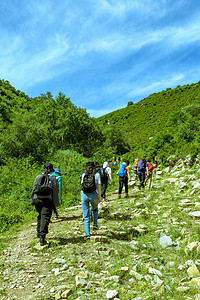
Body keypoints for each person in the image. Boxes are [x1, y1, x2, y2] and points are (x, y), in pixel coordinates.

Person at [30, 163, 60, 246]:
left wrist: (32, 201)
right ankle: (42, 238)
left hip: (36, 199)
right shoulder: (53, 178)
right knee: (45, 217)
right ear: (51, 171)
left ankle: (38, 233)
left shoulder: (38, 177)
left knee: (40, 215)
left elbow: (33, 189)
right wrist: (56, 203)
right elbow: (55, 192)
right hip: (47, 200)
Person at [81, 161, 102, 240]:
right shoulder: (96, 174)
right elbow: (98, 186)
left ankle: (87, 234)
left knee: (86, 215)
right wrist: (99, 197)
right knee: (95, 208)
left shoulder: (83, 174)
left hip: (84, 195)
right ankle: (95, 225)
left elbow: (81, 185)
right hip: (93, 194)